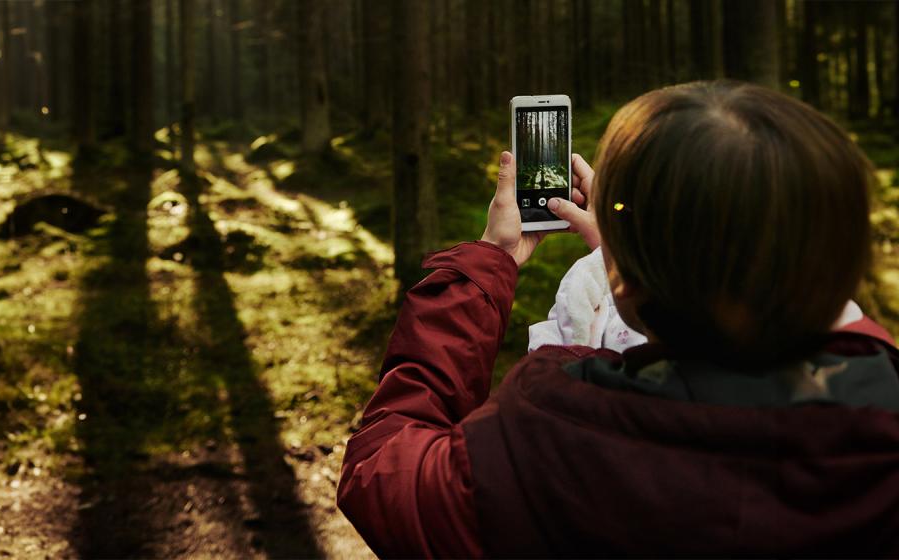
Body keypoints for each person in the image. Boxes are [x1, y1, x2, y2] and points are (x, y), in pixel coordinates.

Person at [337, 81, 899, 557]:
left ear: (624, 284)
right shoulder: (880, 410)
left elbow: (383, 471)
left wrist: (493, 261)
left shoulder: (548, 436)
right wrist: (634, 252)